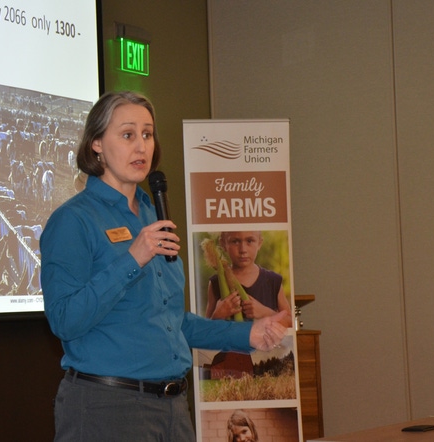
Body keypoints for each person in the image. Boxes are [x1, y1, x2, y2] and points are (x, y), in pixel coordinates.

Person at [40, 91, 287, 442]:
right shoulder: (73, 221)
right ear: (96, 144)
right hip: (108, 409)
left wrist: (248, 334)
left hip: (171, 408)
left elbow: (173, 324)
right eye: (128, 135)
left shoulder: (154, 215)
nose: (141, 146)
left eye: (148, 134)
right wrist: (132, 259)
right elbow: (64, 319)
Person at [205, 231, 293, 328]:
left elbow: (290, 322)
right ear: (223, 244)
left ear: (259, 243)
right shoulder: (216, 283)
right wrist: (218, 315)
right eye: (235, 241)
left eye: (250, 241)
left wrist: (266, 312)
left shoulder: (273, 281)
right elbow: (207, 331)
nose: (243, 250)